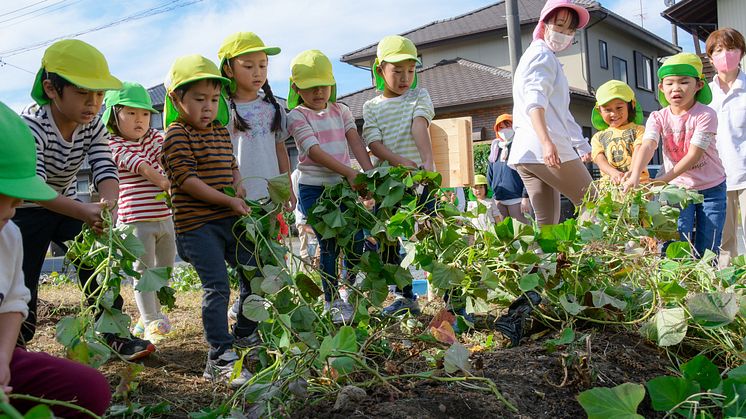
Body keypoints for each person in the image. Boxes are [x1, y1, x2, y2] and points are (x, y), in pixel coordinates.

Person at [13, 39, 154, 360]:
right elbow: (32, 185)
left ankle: (113, 333)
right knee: (22, 278)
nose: (93, 103)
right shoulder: (32, 125)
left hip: (65, 205)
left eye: (99, 94)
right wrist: (83, 210)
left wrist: (107, 207)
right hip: (24, 211)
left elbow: (105, 168)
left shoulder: (91, 127)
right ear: (51, 89)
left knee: (96, 264)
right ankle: (16, 345)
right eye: (83, 93)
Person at [0, 100, 112, 418]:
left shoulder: (7, 234)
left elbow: (12, 301)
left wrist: (3, 358)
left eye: (16, 199)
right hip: (48, 210)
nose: (13, 209)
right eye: (5, 198)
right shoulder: (35, 124)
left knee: (91, 391)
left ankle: (114, 329)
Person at [160, 54, 256, 387]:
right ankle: (219, 356)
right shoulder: (175, 135)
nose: (208, 107)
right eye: (199, 100)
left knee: (254, 271)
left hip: (228, 218)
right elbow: (187, 181)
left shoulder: (218, 130)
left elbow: (231, 164)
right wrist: (229, 198)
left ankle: (245, 332)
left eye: (214, 100)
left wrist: (238, 181)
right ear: (176, 99)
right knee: (217, 287)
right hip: (197, 226)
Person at [287, 50, 373, 324]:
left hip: (343, 186)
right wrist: (350, 172)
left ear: (331, 84)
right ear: (296, 88)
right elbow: (312, 150)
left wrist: (369, 174)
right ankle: (331, 299)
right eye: (310, 88)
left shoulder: (342, 110)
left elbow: (356, 142)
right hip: (315, 189)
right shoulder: (296, 116)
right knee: (329, 245)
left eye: (322, 86)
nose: (318, 92)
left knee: (356, 239)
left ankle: (348, 290)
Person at [217, 32, 294, 320]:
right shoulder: (221, 107)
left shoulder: (272, 106)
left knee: (272, 253)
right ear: (228, 69)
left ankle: (258, 306)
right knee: (246, 257)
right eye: (248, 66)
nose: (257, 72)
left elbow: (280, 149)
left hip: (270, 195)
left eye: (262, 65)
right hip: (240, 196)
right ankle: (247, 304)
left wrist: (286, 187)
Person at [624, 53, 726, 258]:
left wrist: (662, 180)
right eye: (669, 83)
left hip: (711, 188)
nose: (676, 88)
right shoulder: (657, 117)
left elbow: (694, 154)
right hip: (677, 190)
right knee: (676, 243)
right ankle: (677, 286)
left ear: (698, 85)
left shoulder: (706, 115)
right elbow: (648, 144)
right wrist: (635, 173)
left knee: (709, 246)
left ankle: (705, 288)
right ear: (661, 88)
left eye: (683, 82)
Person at [362, 35, 435, 316]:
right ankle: (405, 297)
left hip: (420, 180)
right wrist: (400, 162)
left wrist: (426, 162)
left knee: (433, 237)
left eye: (410, 70)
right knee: (389, 242)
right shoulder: (372, 106)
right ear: (380, 70)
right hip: (388, 183)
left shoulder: (419, 96)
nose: (405, 78)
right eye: (397, 71)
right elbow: (374, 143)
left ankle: (454, 301)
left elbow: (419, 125)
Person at [506, 0, 594, 226]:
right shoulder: (542, 55)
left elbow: (561, 114)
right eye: (560, 25)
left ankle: (543, 261)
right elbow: (535, 103)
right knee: (594, 202)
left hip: (525, 154)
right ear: (544, 24)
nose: (564, 33)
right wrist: (546, 142)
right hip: (547, 148)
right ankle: (594, 256)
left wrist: (583, 145)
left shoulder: (537, 55)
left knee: (547, 223)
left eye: (570, 29)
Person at [104, 82, 175, 343]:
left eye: (144, 114)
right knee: (144, 271)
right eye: (131, 113)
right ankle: (151, 321)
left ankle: (150, 317)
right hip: (135, 220)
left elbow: (165, 153)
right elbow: (142, 166)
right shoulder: (112, 144)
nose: (140, 120)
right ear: (114, 115)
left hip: (164, 217)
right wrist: (166, 183)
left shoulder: (155, 137)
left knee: (165, 270)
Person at [706, 28, 746, 265]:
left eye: (731, 48)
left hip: (745, 172)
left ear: (741, 52)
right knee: (723, 241)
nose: (725, 54)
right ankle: (729, 292)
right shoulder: (705, 94)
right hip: (716, 178)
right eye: (718, 50)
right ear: (710, 57)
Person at [590, 80, 650, 184]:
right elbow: (599, 159)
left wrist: (632, 172)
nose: (614, 113)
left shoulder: (638, 130)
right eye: (608, 110)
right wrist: (613, 173)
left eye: (619, 107)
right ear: (599, 111)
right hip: (610, 187)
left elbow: (639, 150)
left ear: (631, 106)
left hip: (638, 184)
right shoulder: (598, 137)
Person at [486, 114, 531, 223]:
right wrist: (492, 193)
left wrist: (525, 197)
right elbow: (490, 174)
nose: (504, 130)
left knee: (522, 233)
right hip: (499, 199)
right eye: (501, 128)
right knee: (504, 235)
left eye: (507, 126)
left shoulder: (520, 146)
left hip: (517, 198)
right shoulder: (495, 148)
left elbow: (527, 173)